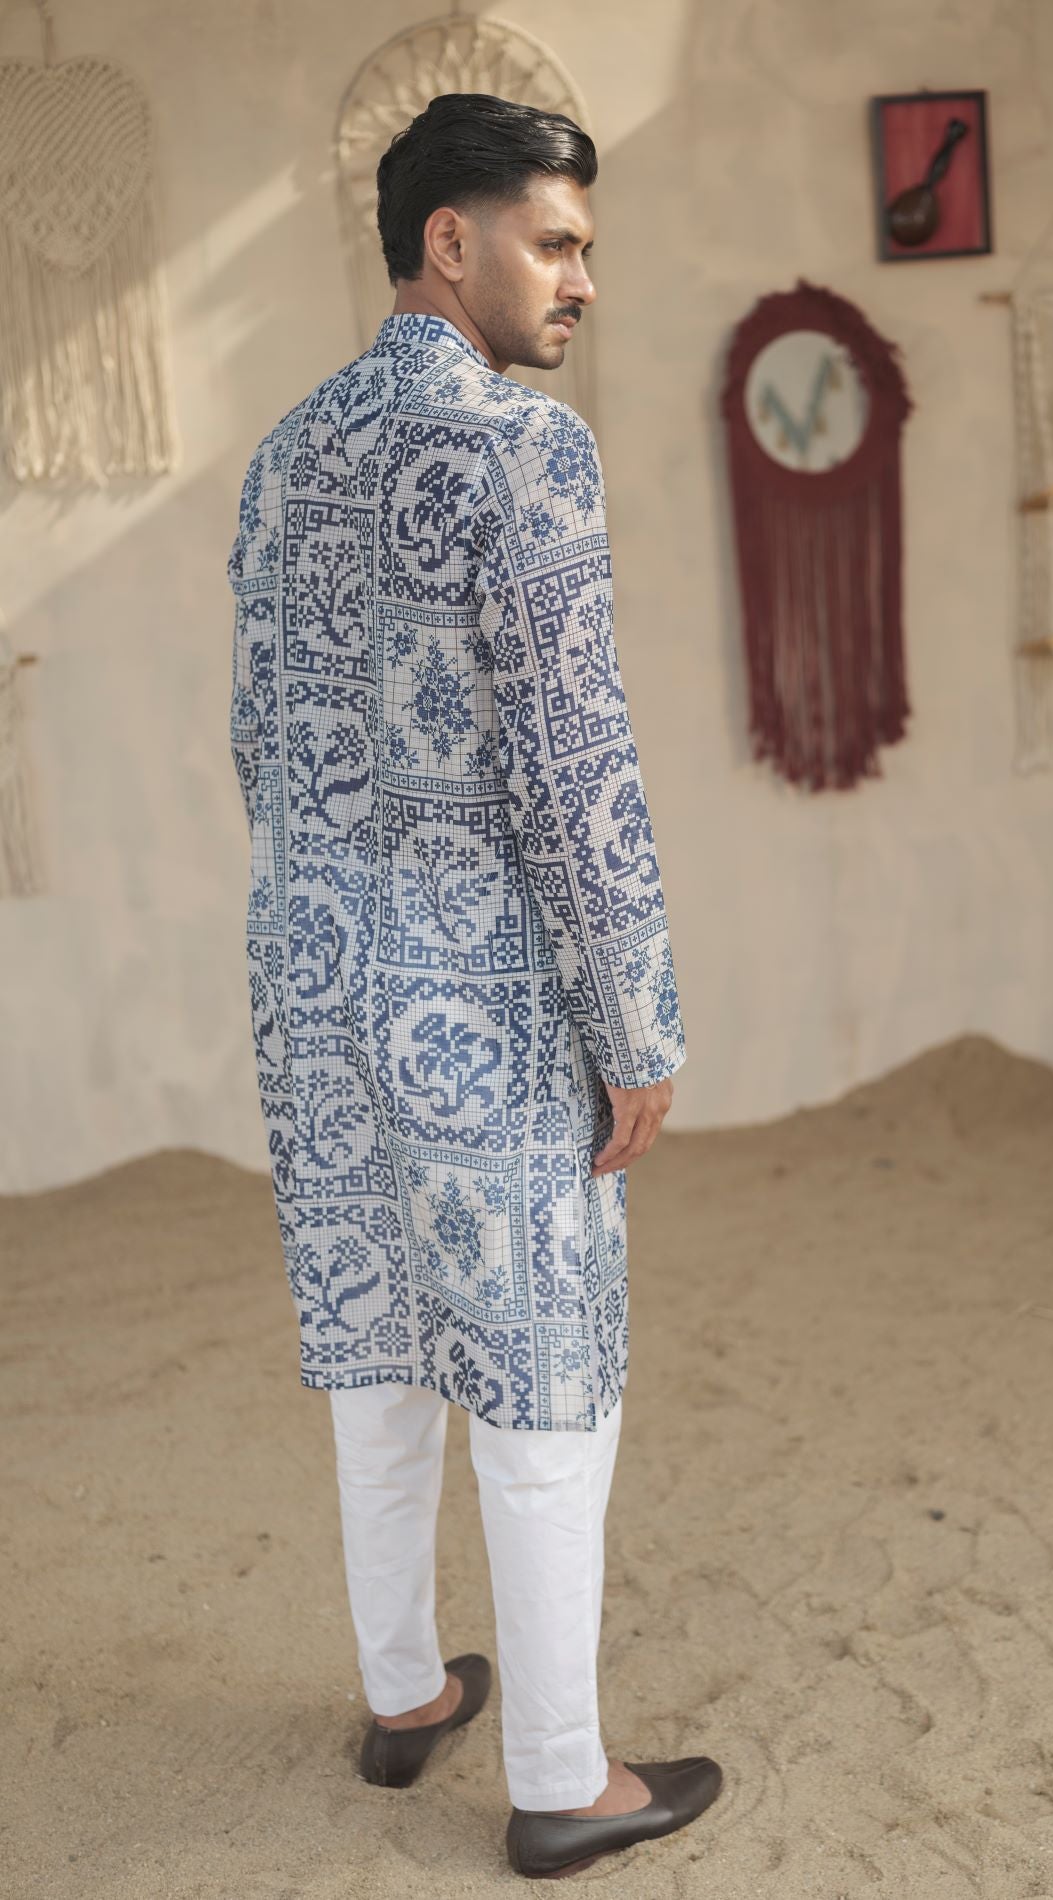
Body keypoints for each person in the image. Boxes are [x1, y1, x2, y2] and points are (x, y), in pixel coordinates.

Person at [225, 90, 722, 1880]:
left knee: (379, 1347)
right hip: (482, 997)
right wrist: (637, 1028)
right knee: (539, 1378)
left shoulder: (287, 450)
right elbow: (580, 776)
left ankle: (406, 1694)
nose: (582, 278)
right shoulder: (523, 449)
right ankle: (563, 1780)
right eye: (556, 240)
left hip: (311, 977)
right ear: (452, 241)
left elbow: (255, 733)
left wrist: (323, 920)